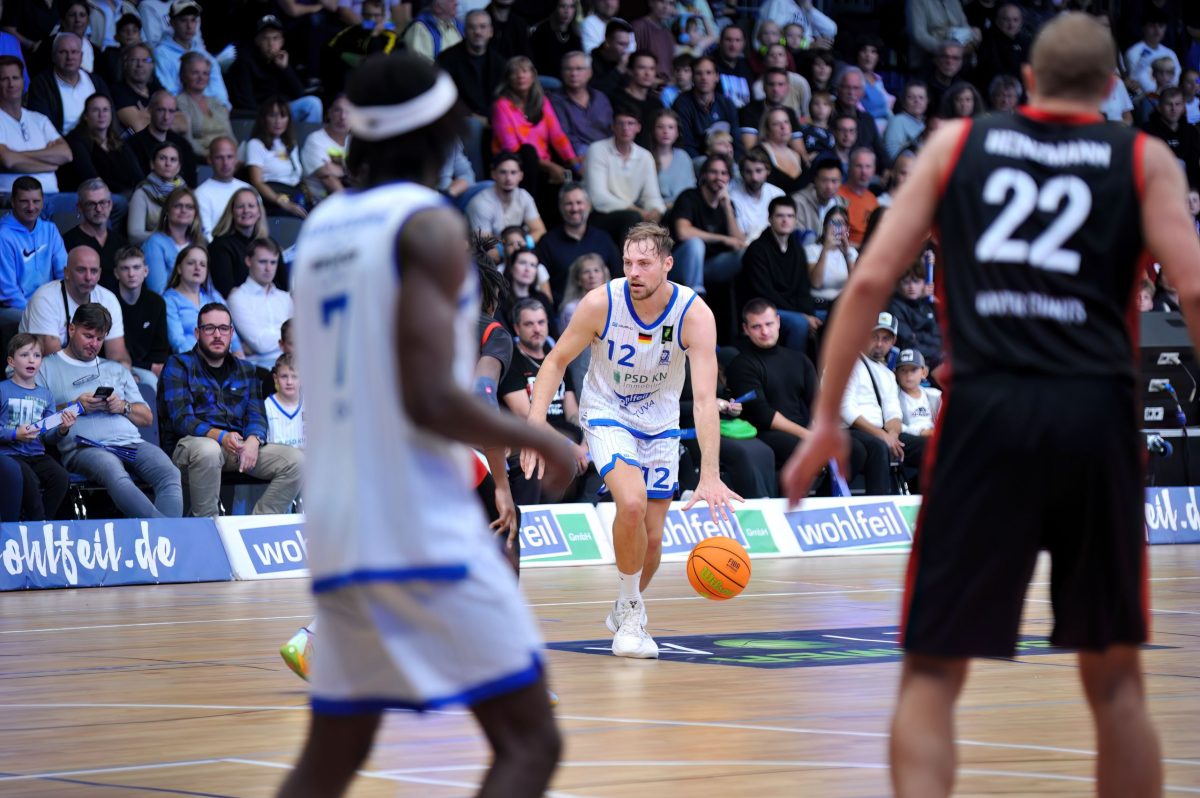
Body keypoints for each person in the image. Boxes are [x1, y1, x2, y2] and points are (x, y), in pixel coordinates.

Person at [782, 14, 1186, 797]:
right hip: (1094, 415)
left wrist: (826, 417)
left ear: (1027, 83)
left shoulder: (956, 146)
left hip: (986, 414)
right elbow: (1194, 287)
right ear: (1112, 90)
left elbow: (866, 284)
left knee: (931, 673)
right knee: (1116, 684)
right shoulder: (1143, 157)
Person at [280, 53, 574, 798]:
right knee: (530, 743)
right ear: (439, 130)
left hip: (339, 517)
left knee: (331, 758)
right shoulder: (429, 228)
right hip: (417, 515)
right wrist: (542, 436)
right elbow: (427, 396)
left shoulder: (319, 230)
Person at [522, 221, 740, 658]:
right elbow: (555, 361)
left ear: (667, 264)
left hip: (661, 423)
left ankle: (625, 606)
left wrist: (710, 475)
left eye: (644, 263)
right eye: (627, 262)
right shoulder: (601, 302)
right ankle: (633, 614)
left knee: (654, 538)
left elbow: (702, 401)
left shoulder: (694, 314)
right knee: (633, 502)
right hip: (606, 412)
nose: (634, 271)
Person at [39, 303, 183, 518]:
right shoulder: (45, 367)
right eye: (88, 336)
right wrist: (75, 407)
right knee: (114, 472)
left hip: (129, 442)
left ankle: (164, 537)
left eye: (100, 338)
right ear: (71, 329)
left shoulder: (115, 368)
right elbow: (40, 425)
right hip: (85, 448)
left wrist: (122, 407)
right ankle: (169, 536)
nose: (94, 344)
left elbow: (147, 417)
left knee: (170, 472)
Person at [162, 301, 300, 518]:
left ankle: (258, 526)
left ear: (231, 333)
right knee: (209, 450)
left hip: (237, 447)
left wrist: (254, 440)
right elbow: (181, 419)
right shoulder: (179, 364)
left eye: (223, 328)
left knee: (297, 462)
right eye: (210, 328)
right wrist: (221, 436)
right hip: (191, 448)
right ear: (198, 333)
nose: (217, 335)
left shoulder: (246, 369)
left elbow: (256, 415)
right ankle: (207, 527)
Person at [500, 297, 588, 504]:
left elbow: (572, 412)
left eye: (541, 322)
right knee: (541, 465)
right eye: (529, 324)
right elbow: (524, 414)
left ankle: (587, 521)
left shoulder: (556, 358)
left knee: (606, 463)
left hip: (569, 438)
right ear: (516, 328)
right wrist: (569, 446)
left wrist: (587, 441)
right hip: (531, 437)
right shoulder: (512, 359)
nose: (536, 329)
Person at [724, 299, 818, 474]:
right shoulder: (741, 365)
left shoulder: (800, 360)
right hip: (763, 432)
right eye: (756, 326)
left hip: (800, 431)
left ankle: (826, 495)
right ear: (746, 329)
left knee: (857, 447)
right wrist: (806, 435)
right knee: (800, 447)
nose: (765, 331)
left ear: (779, 322)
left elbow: (817, 402)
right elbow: (763, 414)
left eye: (769, 324)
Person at [1, 333, 73, 521]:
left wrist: (62, 429)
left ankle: (38, 523)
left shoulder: (46, 395)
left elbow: (48, 436)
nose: (31, 360)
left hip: (36, 454)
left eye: (37, 355)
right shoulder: (2, 389)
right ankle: (37, 529)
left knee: (60, 478)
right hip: (9, 455)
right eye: (24, 355)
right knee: (30, 480)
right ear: (11, 361)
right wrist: (15, 433)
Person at [20, 244, 131, 366]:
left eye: (93, 271)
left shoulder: (108, 299)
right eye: (81, 270)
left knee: (148, 381)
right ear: (66, 272)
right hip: (35, 374)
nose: (88, 277)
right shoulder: (45, 298)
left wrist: (122, 374)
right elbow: (53, 359)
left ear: (99, 274)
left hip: (89, 370)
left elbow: (118, 355)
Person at [737, 196, 817, 351]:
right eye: (780, 216)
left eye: (790, 216)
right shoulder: (757, 249)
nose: (785, 220)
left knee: (827, 319)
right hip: (763, 309)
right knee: (799, 323)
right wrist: (803, 316)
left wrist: (809, 314)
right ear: (770, 219)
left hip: (792, 308)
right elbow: (764, 292)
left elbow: (803, 288)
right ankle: (794, 370)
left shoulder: (797, 250)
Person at [492, 55, 580, 191]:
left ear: (533, 75)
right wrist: (550, 167)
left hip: (543, 165)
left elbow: (558, 136)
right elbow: (511, 148)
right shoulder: (501, 106)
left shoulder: (543, 102)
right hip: (514, 167)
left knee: (575, 175)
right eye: (515, 72)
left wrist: (575, 165)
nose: (520, 76)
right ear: (508, 78)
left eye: (524, 71)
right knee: (528, 151)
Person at [665, 155, 746, 295]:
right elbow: (683, 232)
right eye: (713, 172)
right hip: (679, 264)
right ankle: (695, 298)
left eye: (724, 173)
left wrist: (727, 207)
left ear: (729, 178)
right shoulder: (689, 197)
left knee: (747, 254)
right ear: (704, 175)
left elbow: (739, 242)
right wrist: (722, 238)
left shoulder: (727, 204)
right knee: (696, 244)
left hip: (710, 266)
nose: (719, 177)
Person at [583, 109, 665, 243]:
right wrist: (635, 210)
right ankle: (628, 262)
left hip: (634, 212)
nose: (625, 128)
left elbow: (652, 195)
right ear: (613, 127)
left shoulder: (645, 156)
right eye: (620, 123)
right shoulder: (597, 149)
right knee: (632, 218)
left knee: (664, 217)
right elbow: (598, 197)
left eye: (630, 123)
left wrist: (656, 211)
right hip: (599, 213)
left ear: (638, 127)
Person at [0, 56, 72, 199]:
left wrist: (18, 155)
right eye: (4, 79)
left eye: (15, 78)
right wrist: (49, 164)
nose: (11, 84)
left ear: (23, 81)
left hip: (52, 196)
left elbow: (66, 154)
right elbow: (8, 160)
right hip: (11, 199)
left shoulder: (39, 119)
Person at [228, 14, 322, 123]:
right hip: (259, 115)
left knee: (313, 104)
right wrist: (269, 115)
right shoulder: (245, 61)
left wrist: (286, 69)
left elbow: (299, 94)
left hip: (282, 111)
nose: (271, 44)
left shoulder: (283, 58)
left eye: (275, 38)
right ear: (257, 41)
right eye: (265, 38)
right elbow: (245, 102)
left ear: (282, 41)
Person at [535, 183, 620, 302]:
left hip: (603, 308)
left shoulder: (603, 239)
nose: (574, 209)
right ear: (560, 207)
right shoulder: (547, 242)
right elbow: (541, 283)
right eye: (569, 204)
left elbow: (617, 277)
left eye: (579, 203)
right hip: (562, 313)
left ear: (588, 206)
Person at [0, 177, 68, 324]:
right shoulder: (3, 235)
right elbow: (8, 292)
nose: (31, 207)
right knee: (47, 325)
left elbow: (64, 273)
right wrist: (40, 313)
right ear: (13, 202)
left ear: (43, 201)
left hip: (49, 303)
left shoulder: (49, 229)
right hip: (15, 307)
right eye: (24, 201)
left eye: (36, 201)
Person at [26, 32, 112, 136]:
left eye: (74, 52)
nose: (69, 57)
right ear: (53, 56)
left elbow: (111, 114)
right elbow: (43, 125)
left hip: (99, 140)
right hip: (64, 144)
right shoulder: (41, 84)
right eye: (63, 52)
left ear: (81, 56)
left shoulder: (95, 81)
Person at [163, 245, 242, 356]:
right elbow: (178, 342)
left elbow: (232, 337)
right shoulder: (169, 300)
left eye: (202, 265)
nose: (197, 268)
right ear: (179, 268)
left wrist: (239, 356)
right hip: (192, 363)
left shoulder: (214, 297)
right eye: (191, 263)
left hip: (223, 362)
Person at [228, 238, 293, 368]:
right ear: (248, 261)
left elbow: (300, 336)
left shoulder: (285, 298)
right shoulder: (237, 298)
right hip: (260, 372)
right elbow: (260, 344)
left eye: (273, 262)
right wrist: (289, 339)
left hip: (292, 369)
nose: (268, 268)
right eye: (263, 262)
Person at [153, 0, 230, 109]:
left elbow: (221, 94)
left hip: (211, 112)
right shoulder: (161, 53)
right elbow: (169, 91)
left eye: (193, 20)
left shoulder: (204, 55)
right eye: (183, 20)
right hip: (180, 113)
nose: (189, 26)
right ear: (172, 23)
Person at [62, 95, 144, 196]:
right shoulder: (76, 141)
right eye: (96, 110)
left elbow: (138, 176)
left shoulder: (118, 142)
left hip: (126, 194)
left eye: (105, 110)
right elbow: (92, 180)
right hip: (96, 197)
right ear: (86, 116)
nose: (102, 115)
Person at [113, 246, 170, 392]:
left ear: (146, 271)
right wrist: (146, 368)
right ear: (116, 273)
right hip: (114, 365)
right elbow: (107, 352)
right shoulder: (108, 301)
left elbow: (161, 349)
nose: (131, 274)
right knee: (150, 382)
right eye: (125, 268)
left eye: (136, 267)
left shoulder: (156, 303)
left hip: (148, 366)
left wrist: (153, 367)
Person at [242, 96, 308, 219]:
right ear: (264, 119)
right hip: (273, 201)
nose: (278, 121)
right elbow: (257, 182)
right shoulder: (256, 144)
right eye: (273, 116)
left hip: (294, 196)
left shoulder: (291, 143)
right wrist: (282, 202)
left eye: (283, 116)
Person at [207, 188, 275, 297]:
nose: (246, 210)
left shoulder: (270, 245)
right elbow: (226, 289)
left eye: (251, 206)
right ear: (232, 212)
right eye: (240, 206)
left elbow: (283, 286)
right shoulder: (219, 245)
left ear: (259, 212)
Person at [63, 179, 127, 292]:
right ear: (80, 207)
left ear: (110, 205)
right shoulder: (67, 242)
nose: (98, 209)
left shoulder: (121, 242)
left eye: (103, 202)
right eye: (91, 204)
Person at [672, 56, 741, 159]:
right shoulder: (682, 103)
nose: (704, 78)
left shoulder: (727, 103)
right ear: (693, 77)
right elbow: (686, 145)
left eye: (708, 73)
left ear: (717, 77)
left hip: (726, 161)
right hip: (696, 162)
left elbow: (737, 142)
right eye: (699, 73)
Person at [466, 152, 546, 239]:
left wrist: (523, 244)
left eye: (513, 172)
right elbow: (485, 247)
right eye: (503, 172)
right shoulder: (481, 204)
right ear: (493, 174)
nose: (508, 178)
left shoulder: (524, 196)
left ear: (521, 175)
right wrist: (514, 247)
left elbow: (539, 230)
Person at [127, 90, 199, 188]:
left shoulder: (183, 145)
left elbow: (191, 183)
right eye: (161, 110)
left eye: (171, 111)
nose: (166, 117)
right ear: (150, 110)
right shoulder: (133, 144)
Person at [548, 51, 613, 158]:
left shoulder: (600, 98)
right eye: (568, 69)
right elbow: (565, 136)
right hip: (579, 157)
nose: (573, 74)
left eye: (579, 69)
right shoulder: (554, 101)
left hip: (609, 152)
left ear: (589, 73)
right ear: (562, 73)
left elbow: (611, 130)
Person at [142, 185, 203, 294]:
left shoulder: (198, 243)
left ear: (195, 214)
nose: (184, 210)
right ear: (167, 211)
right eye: (178, 206)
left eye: (189, 207)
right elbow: (158, 291)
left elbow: (208, 286)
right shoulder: (154, 243)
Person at [176, 51, 234, 159]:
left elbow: (230, 135)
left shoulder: (216, 102)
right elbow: (188, 141)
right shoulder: (178, 103)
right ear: (183, 75)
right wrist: (210, 156)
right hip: (202, 160)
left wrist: (234, 156)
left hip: (227, 158)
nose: (201, 77)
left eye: (205, 73)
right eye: (195, 73)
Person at [127, 141, 185, 245]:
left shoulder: (186, 195)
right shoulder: (142, 193)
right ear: (152, 164)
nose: (168, 164)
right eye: (162, 158)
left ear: (179, 167)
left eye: (173, 160)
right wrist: (169, 236)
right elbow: (134, 236)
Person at [1142, 88, 1200, 189]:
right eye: (1169, 104)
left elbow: (1195, 165)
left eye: (1178, 104)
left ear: (1183, 107)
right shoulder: (1147, 131)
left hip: (1190, 188)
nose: (1174, 109)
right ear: (1159, 107)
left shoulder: (1191, 131)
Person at [195, 137, 250, 241]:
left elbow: (259, 229)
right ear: (209, 160)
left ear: (236, 159)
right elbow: (206, 236)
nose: (225, 163)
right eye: (219, 157)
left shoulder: (248, 189)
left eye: (230, 157)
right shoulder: (200, 194)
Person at [888, 261, 942, 368]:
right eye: (906, 282)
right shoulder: (893, 306)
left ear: (923, 283)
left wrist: (918, 336)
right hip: (908, 363)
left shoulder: (927, 304)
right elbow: (909, 344)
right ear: (898, 284)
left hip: (933, 358)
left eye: (916, 281)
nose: (911, 286)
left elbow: (939, 337)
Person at [805, 205, 856, 314]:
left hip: (844, 307)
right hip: (820, 307)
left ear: (847, 228)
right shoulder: (811, 250)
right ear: (824, 227)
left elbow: (856, 286)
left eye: (841, 223)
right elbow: (816, 283)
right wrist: (825, 249)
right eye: (833, 223)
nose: (837, 228)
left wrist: (847, 253)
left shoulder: (852, 253)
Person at [300, 95, 351, 203]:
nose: (342, 117)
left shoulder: (354, 141)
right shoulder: (315, 140)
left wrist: (342, 170)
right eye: (338, 110)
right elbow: (329, 179)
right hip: (324, 205)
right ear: (329, 113)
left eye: (348, 112)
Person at [730, 148, 785, 241]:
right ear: (742, 173)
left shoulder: (778, 194)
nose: (754, 177)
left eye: (758, 171)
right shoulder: (733, 198)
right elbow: (740, 239)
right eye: (748, 172)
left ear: (767, 171)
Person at [649, 108, 696, 209]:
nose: (665, 131)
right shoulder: (646, 157)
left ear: (677, 132)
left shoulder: (683, 157)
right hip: (657, 210)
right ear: (653, 130)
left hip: (682, 209)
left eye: (671, 127)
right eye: (660, 127)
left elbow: (690, 189)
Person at [894, 348, 941, 438]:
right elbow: (893, 424)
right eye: (903, 370)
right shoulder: (893, 396)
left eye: (914, 369)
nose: (909, 374)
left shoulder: (935, 395)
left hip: (934, 435)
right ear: (896, 373)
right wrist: (922, 432)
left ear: (924, 373)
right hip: (910, 438)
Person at [838, 147, 880, 248]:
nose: (864, 171)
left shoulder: (873, 199)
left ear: (874, 170)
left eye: (868, 166)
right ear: (849, 168)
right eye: (859, 166)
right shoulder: (838, 195)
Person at [529, 0, 580, 80]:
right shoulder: (541, 32)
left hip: (571, 79)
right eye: (562, 6)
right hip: (547, 79)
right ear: (555, 8)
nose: (567, 11)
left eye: (571, 6)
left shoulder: (576, 34)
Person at [264, 352, 303, 448]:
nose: (289, 382)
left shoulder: (312, 404)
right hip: (280, 462)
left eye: (295, 376)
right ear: (275, 378)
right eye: (284, 376)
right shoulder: (267, 407)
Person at [630, 0, 673, 86]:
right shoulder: (638, 26)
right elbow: (627, 64)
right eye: (662, 2)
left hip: (666, 89)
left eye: (670, 3)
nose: (666, 7)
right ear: (651, 2)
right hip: (644, 87)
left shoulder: (668, 34)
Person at [884, 82, 928, 163]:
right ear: (903, 102)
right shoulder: (897, 120)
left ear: (927, 101)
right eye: (911, 97)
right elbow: (892, 153)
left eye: (921, 97)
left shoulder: (926, 124)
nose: (917, 101)